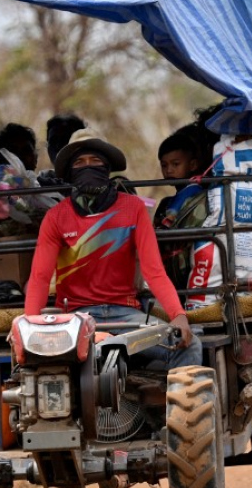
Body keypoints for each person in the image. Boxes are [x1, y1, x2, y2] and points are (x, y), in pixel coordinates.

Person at [24, 129, 198, 369]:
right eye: (80, 162)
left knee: (189, 345)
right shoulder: (56, 217)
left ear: (107, 167)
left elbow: (154, 271)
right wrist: (29, 327)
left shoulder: (133, 208)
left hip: (127, 315)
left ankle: (163, 400)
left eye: (96, 161)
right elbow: (40, 278)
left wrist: (178, 315)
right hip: (78, 317)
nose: (88, 166)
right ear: (70, 171)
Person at [154, 131, 205, 227]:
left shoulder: (192, 192)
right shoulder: (174, 198)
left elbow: (166, 226)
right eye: (164, 165)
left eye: (175, 164)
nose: (169, 170)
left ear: (193, 165)